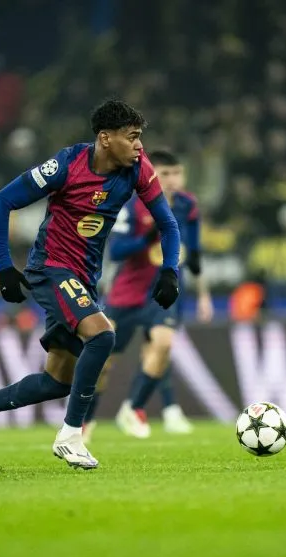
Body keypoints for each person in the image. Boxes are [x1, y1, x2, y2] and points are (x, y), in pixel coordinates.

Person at [0, 99, 181, 470]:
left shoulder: (138, 168)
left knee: (57, 381)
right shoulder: (66, 165)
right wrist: (6, 267)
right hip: (52, 269)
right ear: (105, 139)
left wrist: (170, 270)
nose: (140, 146)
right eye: (132, 137)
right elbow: (1, 202)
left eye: (140, 138)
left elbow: (167, 224)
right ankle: (71, 436)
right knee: (103, 336)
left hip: (85, 279)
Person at [83, 150, 212, 441]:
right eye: (165, 174)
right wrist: (148, 236)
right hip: (126, 292)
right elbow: (116, 251)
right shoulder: (133, 205)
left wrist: (203, 295)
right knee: (103, 362)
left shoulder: (188, 205)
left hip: (162, 293)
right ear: (154, 175)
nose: (172, 180)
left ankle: (134, 407)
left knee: (163, 343)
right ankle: (84, 421)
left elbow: (195, 253)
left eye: (177, 173)